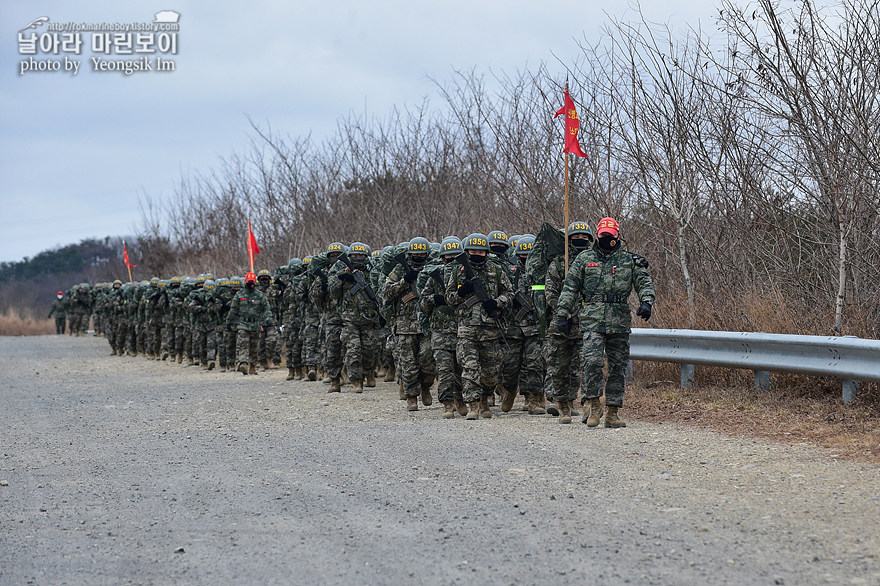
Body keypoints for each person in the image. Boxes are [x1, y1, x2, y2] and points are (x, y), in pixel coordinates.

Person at [554, 217, 655, 428]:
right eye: (603, 235)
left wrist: (647, 301)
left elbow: (643, 281)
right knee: (591, 363)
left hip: (618, 319)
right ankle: (593, 405)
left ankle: (613, 411)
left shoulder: (630, 260)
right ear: (597, 235)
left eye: (610, 235)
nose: (606, 238)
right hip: (592, 319)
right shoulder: (584, 259)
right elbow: (570, 287)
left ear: (617, 235)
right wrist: (562, 313)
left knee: (618, 366)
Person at [445, 233, 512, 419]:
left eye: (480, 251)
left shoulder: (496, 270)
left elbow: (509, 292)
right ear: (466, 252)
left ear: (486, 252)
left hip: (490, 329)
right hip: (466, 328)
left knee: (491, 372)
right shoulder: (458, 271)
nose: (476, 254)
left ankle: (485, 398)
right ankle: (473, 405)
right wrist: (462, 291)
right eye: (472, 251)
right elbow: (449, 298)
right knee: (469, 368)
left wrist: (497, 303)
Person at [385, 237, 437, 411]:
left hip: (427, 324)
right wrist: (404, 281)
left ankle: (425, 387)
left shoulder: (432, 268)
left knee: (428, 360)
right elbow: (387, 292)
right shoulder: (400, 269)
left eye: (422, 253)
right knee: (408, 364)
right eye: (415, 253)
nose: (419, 256)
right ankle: (412, 397)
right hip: (405, 325)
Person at [419, 236, 467, 418]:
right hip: (440, 331)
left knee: (462, 369)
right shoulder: (434, 276)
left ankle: (460, 398)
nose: (452, 259)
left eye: (456, 255)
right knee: (444, 370)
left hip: (462, 329)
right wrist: (434, 299)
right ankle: (448, 404)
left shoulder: (465, 274)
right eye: (449, 256)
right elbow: (422, 304)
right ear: (442, 258)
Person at [332, 242, 382, 392]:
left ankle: (368, 373)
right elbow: (333, 293)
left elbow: (379, 292)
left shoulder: (372, 272)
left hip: (369, 318)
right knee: (353, 350)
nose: (358, 258)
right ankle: (355, 381)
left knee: (369, 351)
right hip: (349, 319)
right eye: (354, 256)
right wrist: (342, 279)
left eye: (361, 256)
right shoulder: (342, 271)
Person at [226, 271, 272, 375]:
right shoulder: (239, 294)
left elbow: (266, 308)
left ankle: (253, 366)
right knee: (243, 344)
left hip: (255, 324)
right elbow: (233, 309)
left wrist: (268, 318)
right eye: (249, 282)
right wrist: (229, 322)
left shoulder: (260, 295)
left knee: (254, 347)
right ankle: (243, 363)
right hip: (243, 324)